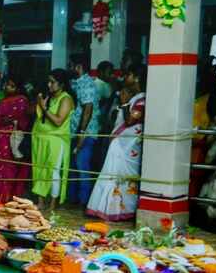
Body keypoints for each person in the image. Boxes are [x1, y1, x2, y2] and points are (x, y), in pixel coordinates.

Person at [86, 66, 147, 221]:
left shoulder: (142, 100)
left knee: (123, 176)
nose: (124, 78)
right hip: (122, 143)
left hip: (129, 145)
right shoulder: (136, 98)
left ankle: (119, 210)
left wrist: (125, 103)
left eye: (128, 74)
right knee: (112, 174)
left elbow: (130, 120)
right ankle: (107, 208)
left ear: (137, 78)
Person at [0, 78, 32, 203]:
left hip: (9, 140)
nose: (7, 87)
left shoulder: (21, 100)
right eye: (6, 85)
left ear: (18, 88)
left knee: (7, 169)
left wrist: (10, 121)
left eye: (11, 86)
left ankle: (6, 196)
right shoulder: (1, 98)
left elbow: (24, 120)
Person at [31, 69, 75, 211]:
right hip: (40, 139)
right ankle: (41, 201)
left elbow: (58, 121)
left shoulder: (66, 99)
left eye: (52, 82)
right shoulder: (48, 96)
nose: (49, 85)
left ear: (61, 84)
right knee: (39, 170)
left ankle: (52, 204)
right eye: (48, 82)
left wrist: (43, 108)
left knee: (53, 172)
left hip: (56, 141)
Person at [67, 54, 98, 207]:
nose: (69, 68)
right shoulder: (77, 83)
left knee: (82, 167)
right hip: (76, 132)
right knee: (74, 168)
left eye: (71, 65)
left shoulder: (87, 84)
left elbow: (88, 109)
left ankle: (84, 202)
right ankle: (73, 199)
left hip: (85, 134)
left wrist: (81, 133)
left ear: (78, 67)